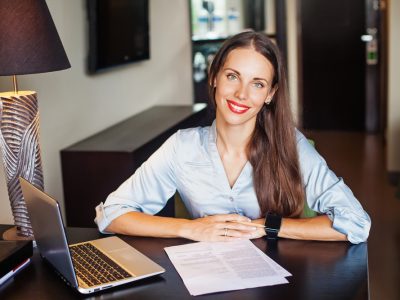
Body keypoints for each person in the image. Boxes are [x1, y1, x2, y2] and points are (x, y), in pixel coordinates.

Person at [95, 31, 371, 244]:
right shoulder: (182, 147)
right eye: (232, 76)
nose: (241, 94)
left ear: (270, 95)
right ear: (214, 77)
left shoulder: (290, 145)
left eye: (257, 84)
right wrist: (192, 228)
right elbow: (111, 214)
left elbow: (356, 222)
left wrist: (265, 226)